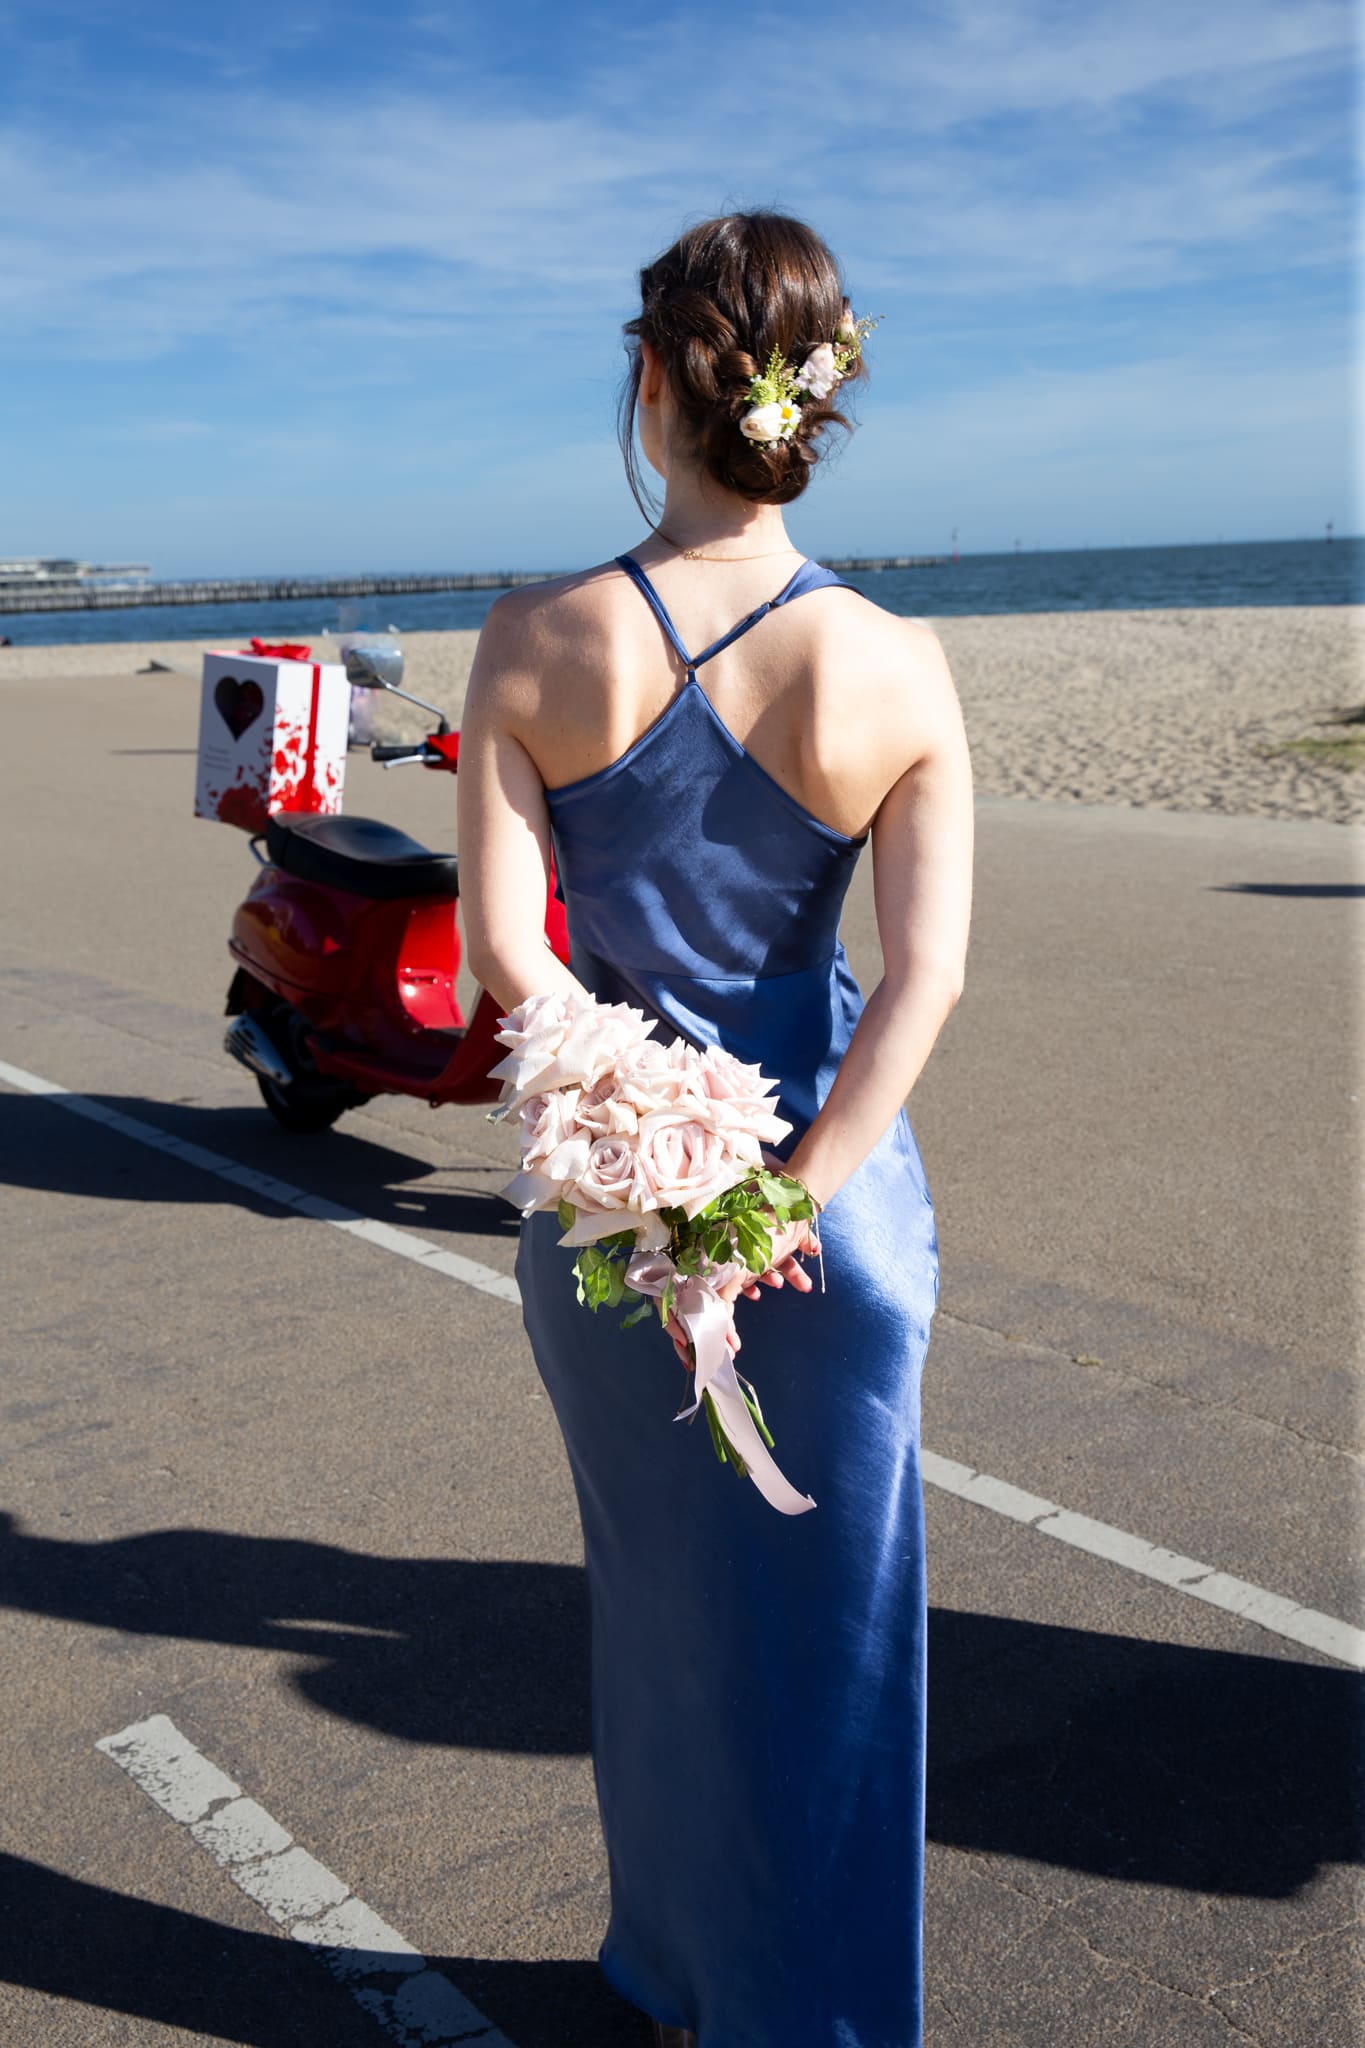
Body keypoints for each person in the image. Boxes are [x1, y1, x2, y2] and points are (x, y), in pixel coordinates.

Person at [459, 211, 973, 2048]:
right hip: (829, 1225)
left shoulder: (530, 639)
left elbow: (513, 955)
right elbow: (919, 985)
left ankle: (674, 1971)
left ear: (655, 379)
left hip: (606, 1214)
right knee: (832, 1648)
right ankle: (813, 2012)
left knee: (662, 1614)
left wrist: (641, 1148)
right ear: (810, 402)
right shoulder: (897, 663)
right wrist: (775, 1200)